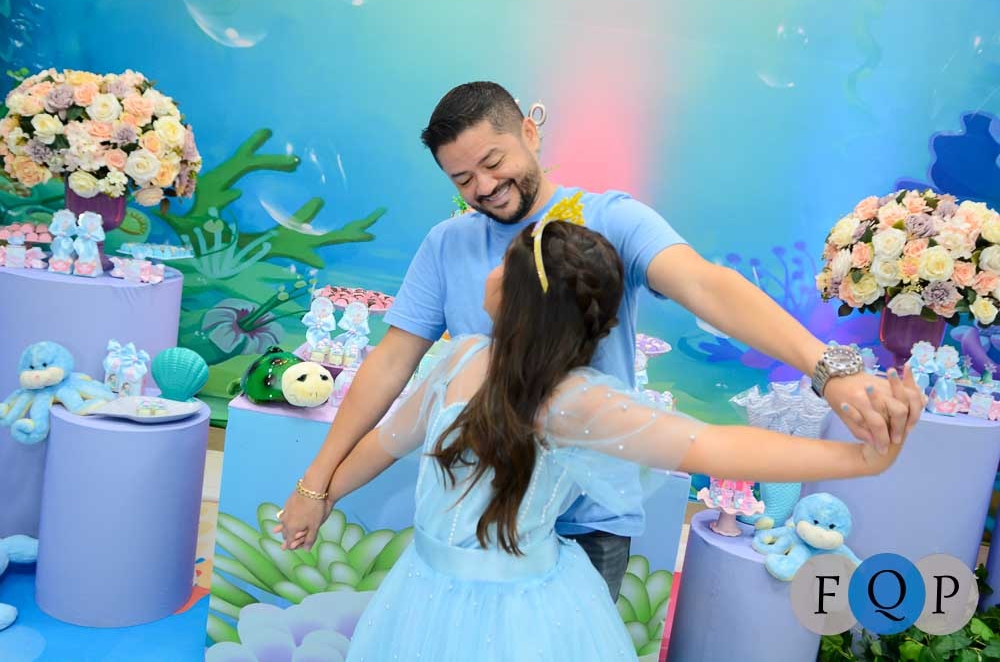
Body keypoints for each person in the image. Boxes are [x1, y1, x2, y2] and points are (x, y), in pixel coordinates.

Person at [276, 81, 923, 600]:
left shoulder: (610, 221)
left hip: (588, 524)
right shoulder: (450, 258)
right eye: (461, 179)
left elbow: (706, 289)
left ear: (529, 132)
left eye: (493, 162)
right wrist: (316, 485)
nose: (483, 188)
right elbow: (392, 366)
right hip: (477, 520)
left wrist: (829, 369)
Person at [276, 217, 919, 661]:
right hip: (423, 590)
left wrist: (860, 459)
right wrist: (318, 494)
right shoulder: (459, 355)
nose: (490, 271)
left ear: (521, 297)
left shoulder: (575, 401)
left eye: (504, 263)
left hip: (522, 616)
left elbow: (710, 446)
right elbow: (387, 440)